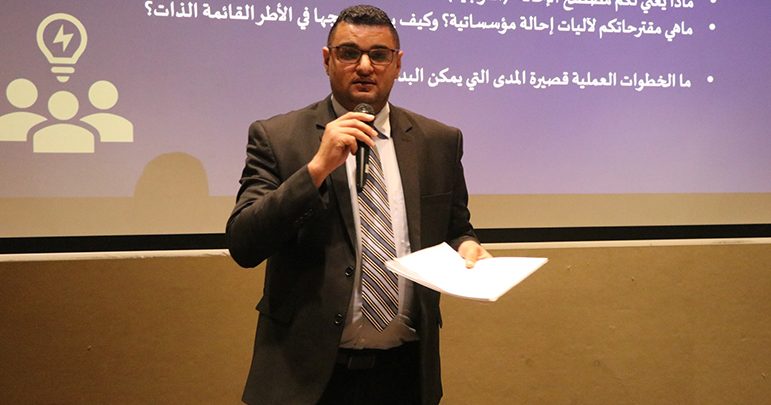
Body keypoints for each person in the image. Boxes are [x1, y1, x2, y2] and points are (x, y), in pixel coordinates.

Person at [226, 5, 491, 405]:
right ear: (327, 60)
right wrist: (316, 168)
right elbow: (244, 244)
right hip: (306, 378)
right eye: (349, 53)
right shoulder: (277, 137)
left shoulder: (439, 141)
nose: (365, 66)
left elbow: (456, 228)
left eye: (379, 55)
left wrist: (466, 246)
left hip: (404, 375)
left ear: (397, 64)